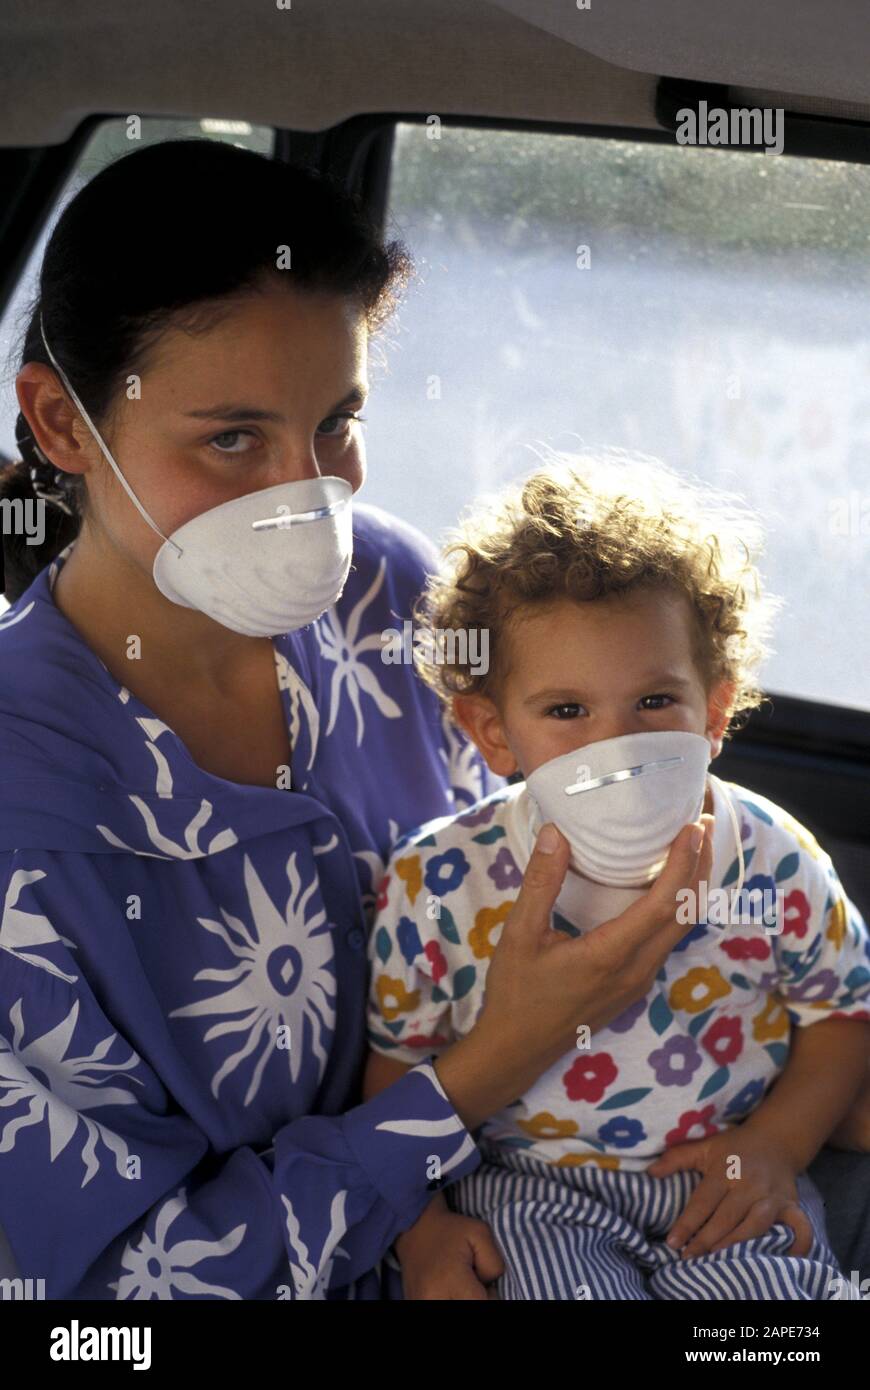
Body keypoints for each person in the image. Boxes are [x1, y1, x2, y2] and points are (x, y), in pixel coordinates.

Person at [0, 139, 714, 1300]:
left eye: (335, 422)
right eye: (232, 439)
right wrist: (476, 1079)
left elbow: (505, 881)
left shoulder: (390, 597)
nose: (303, 496)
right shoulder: (24, 813)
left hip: (552, 1204)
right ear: (63, 425)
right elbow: (124, 1293)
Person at [364, 452, 870, 1300]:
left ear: (714, 710)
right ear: (493, 733)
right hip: (528, 1191)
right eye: (566, 712)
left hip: (721, 1179)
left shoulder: (772, 858)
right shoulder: (442, 882)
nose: (616, 745)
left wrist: (780, 1146)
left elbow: (844, 1012)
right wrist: (417, 1230)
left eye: (654, 702)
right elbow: (394, 1073)